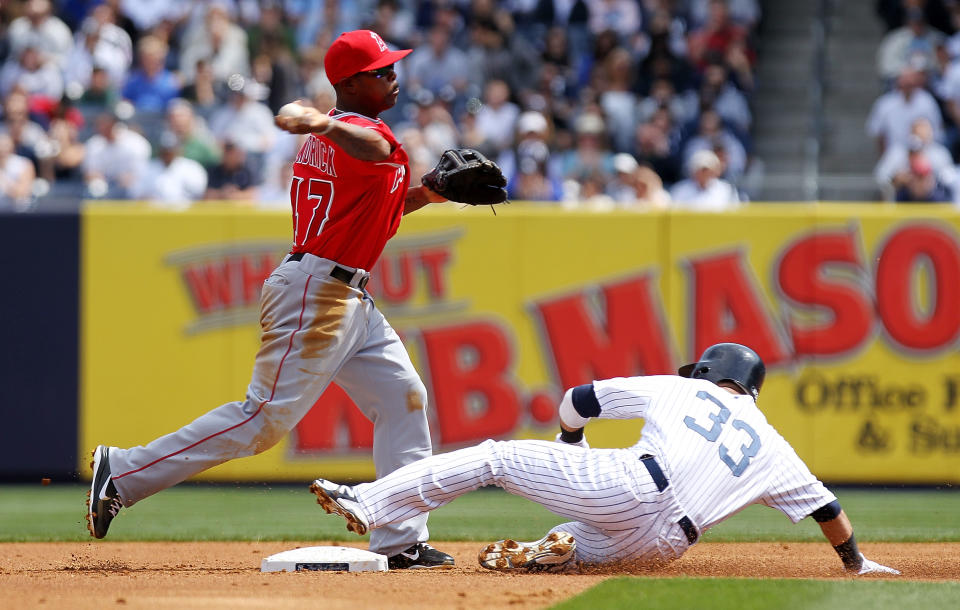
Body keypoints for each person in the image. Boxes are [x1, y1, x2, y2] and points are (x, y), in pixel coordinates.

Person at [87, 29, 455, 570]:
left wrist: (429, 193)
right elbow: (369, 146)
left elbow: (375, 216)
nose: (394, 76)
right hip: (318, 293)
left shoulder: (348, 136)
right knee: (261, 421)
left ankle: (400, 540)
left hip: (348, 293)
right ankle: (122, 470)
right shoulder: (354, 133)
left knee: (405, 398)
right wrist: (326, 121)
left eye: (392, 67)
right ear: (350, 84)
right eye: (382, 71)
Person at [309, 343, 901, 576]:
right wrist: (856, 563)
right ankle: (556, 549)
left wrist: (571, 451)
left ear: (709, 374)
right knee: (575, 537)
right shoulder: (771, 442)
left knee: (493, 457)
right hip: (665, 544)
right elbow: (828, 507)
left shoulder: (682, 387)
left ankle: (371, 500)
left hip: (628, 486)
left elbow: (578, 400)